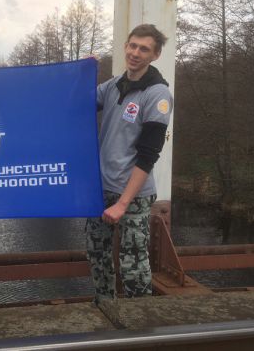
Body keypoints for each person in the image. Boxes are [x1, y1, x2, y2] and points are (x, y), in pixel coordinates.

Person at [86, 24, 173, 304]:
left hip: (133, 195)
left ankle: (141, 319)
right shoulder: (113, 85)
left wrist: (123, 203)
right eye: (132, 45)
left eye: (144, 49)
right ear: (125, 46)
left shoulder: (157, 94)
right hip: (101, 189)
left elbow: (149, 154)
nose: (135, 53)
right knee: (97, 254)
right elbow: (79, 103)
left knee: (133, 263)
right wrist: (83, 72)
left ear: (155, 55)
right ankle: (105, 308)